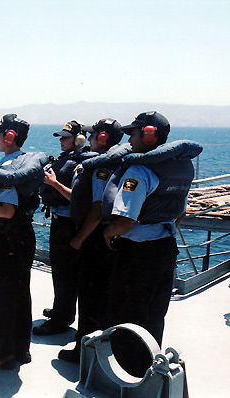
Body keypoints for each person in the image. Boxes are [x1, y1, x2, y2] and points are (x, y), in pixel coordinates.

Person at [101, 111, 202, 376]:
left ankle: (127, 376)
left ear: (149, 135)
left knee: (125, 315)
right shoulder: (181, 166)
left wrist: (108, 233)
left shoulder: (139, 169)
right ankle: (149, 372)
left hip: (136, 254)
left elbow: (126, 221)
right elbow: (181, 211)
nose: (129, 140)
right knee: (154, 315)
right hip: (165, 249)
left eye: (133, 134)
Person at [0, 114, 46, 369]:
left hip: (9, 240)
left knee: (2, 299)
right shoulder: (25, 164)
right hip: (25, 237)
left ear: (9, 137)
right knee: (20, 294)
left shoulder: (8, 169)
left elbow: (6, 211)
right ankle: (20, 350)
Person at [56, 118, 127, 362]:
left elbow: (97, 209)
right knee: (103, 296)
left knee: (90, 297)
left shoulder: (101, 167)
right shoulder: (118, 162)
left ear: (103, 138)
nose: (89, 138)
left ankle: (83, 351)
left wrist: (79, 239)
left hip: (95, 239)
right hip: (109, 239)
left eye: (93, 135)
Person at [33, 120, 88, 336]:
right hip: (60, 222)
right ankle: (63, 311)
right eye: (61, 137)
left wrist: (54, 183)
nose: (61, 141)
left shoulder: (80, 165)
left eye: (65, 137)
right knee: (61, 271)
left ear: (78, 140)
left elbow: (77, 197)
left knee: (64, 273)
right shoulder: (68, 161)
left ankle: (60, 320)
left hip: (68, 224)